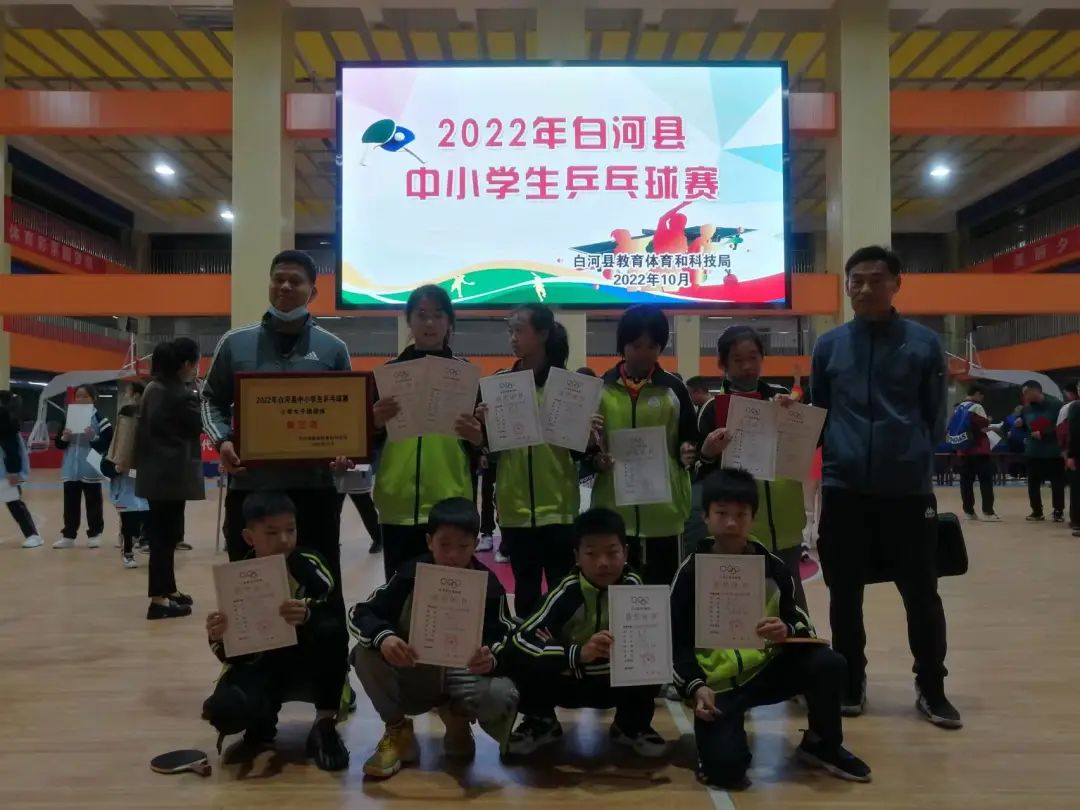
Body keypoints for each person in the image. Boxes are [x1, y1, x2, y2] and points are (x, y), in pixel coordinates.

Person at [201, 250, 353, 759]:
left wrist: (343, 449)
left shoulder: (332, 349)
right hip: (254, 495)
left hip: (313, 495)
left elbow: (346, 415)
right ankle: (259, 710)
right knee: (252, 597)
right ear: (269, 285)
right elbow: (210, 399)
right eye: (278, 280)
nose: (285, 288)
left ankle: (326, 710)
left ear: (313, 291)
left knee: (323, 603)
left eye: (296, 281)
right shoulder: (235, 343)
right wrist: (223, 440)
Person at [811, 245, 960, 729]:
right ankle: (850, 681)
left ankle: (932, 687)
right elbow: (820, 413)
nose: (865, 288)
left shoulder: (924, 344)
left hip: (907, 492)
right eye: (856, 280)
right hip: (844, 488)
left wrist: (910, 456)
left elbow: (934, 415)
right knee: (843, 595)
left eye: (876, 279)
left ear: (897, 284)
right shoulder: (829, 346)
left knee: (921, 594)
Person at [672, 469, 870, 789]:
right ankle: (719, 746)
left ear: (753, 518)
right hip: (718, 685)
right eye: (721, 514)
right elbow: (674, 641)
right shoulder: (690, 572)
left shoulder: (772, 567)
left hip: (766, 670)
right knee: (727, 772)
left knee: (829, 664)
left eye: (741, 514)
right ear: (705, 517)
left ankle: (822, 744)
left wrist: (786, 629)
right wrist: (695, 687)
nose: (731, 523)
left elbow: (800, 621)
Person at [348, 497, 518, 779]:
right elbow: (361, 612)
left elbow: (507, 635)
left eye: (463, 546)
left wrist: (491, 657)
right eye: (444, 545)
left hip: (465, 677)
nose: (452, 555)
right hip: (415, 672)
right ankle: (398, 730)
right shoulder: (410, 574)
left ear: (476, 545)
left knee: (502, 692)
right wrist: (385, 638)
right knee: (363, 652)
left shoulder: (489, 585)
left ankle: (458, 719)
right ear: (429, 542)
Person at [202, 491, 350, 771]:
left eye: (290, 530)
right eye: (271, 533)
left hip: (308, 661)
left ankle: (325, 723)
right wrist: (218, 636)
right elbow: (231, 655)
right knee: (223, 710)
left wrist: (307, 615)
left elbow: (332, 612)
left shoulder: (311, 563)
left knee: (331, 631)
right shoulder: (236, 578)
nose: (283, 539)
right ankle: (260, 722)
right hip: (263, 663)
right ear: (249, 537)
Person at [504, 507, 665, 758]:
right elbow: (519, 640)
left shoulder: (637, 590)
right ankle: (541, 721)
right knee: (524, 659)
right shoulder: (565, 592)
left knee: (652, 659)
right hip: (567, 682)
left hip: (614, 682)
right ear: (577, 557)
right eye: (591, 553)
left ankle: (631, 724)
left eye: (612, 552)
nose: (603, 563)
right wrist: (577, 653)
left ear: (625, 553)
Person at [692, 325, 811, 611]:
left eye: (753, 357)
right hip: (738, 529)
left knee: (792, 608)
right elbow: (698, 473)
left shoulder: (783, 399)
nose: (747, 366)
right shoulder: (712, 409)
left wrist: (796, 416)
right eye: (738, 359)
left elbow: (807, 443)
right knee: (744, 610)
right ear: (722, 363)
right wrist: (708, 453)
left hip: (786, 524)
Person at [371, 284, 483, 579]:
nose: (430, 323)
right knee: (399, 592)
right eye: (421, 315)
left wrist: (478, 438)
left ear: (449, 322)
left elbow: (484, 446)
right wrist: (374, 423)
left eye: (438, 315)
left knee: (447, 591)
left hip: (449, 505)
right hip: (397, 503)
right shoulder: (387, 375)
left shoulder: (467, 377)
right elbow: (368, 443)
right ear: (409, 320)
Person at [484, 304, 583, 617]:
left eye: (519, 331)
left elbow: (580, 453)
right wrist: (481, 430)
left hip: (559, 508)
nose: (513, 338)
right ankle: (526, 645)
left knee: (561, 591)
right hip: (515, 509)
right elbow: (490, 450)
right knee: (525, 591)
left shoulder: (568, 387)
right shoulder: (500, 385)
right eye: (510, 331)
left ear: (542, 333)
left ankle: (562, 646)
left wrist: (591, 440)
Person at [589, 304, 697, 585]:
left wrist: (688, 450)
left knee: (665, 594)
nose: (644, 353)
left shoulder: (674, 389)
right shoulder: (600, 389)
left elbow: (690, 438)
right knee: (617, 596)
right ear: (622, 345)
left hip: (664, 513)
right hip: (615, 512)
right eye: (636, 345)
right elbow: (587, 450)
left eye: (652, 346)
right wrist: (597, 459)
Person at [136, 340, 204, 619]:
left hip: (155, 474)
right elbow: (198, 424)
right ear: (185, 364)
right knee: (164, 540)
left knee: (164, 537)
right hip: (171, 476)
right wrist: (198, 393)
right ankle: (158, 601)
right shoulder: (181, 394)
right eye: (195, 363)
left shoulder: (154, 388)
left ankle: (168, 589)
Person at [94, 380, 149, 568]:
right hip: (125, 487)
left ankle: (139, 540)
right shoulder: (119, 435)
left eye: (129, 392)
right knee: (128, 519)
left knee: (144, 519)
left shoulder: (148, 423)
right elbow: (107, 465)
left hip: (143, 484)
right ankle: (128, 551)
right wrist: (117, 468)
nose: (126, 396)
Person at [52, 384, 107, 549]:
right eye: (78, 396)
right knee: (70, 503)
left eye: (85, 396)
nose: (81, 399)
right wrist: (64, 438)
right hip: (71, 467)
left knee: (93, 501)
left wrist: (93, 437)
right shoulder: (68, 416)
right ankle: (68, 536)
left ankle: (95, 534)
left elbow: (106, 443)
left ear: (94, 399)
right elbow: (59, 444)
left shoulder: (100, 419)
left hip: (90, 466)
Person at [952, 384, 1000, 522]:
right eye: (982, 396)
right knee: (985, 481)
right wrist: (990, 423)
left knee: (966, 482)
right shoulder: (976, 407)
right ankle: (988, 512)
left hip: (963, 450)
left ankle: (969, 511)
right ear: (978, 394)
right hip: (979, 450)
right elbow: (983, 427)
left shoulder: (958, 408)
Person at [0, 390, 42, 549]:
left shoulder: (5, 421)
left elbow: (12, 449)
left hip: (6, 470)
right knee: (13, 502)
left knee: (14, 502)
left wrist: (13, 471)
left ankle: (33, 535)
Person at [1020, 380, 1065, 523]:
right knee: (1033, 483)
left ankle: (1058, 511)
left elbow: (1062, 426)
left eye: (1027, 393)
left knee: (1057, 483)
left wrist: (1045, 434)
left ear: (1036, 390)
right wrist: (1020, 425)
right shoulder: (1026, 409)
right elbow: (1026, 427)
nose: (1026, 396)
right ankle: (1037, 511)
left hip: (1053, 452)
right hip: (1033, 451)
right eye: (1024, 394)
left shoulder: (1056, 405)